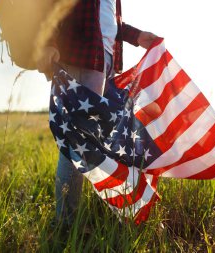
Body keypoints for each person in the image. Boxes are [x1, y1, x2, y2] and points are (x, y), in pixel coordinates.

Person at [36, 0, 157, 224]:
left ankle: (93, 211)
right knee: (78, 139)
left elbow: (108, 21)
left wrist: (136, 36)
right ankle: (66, 222)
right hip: (80, 56)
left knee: (97, 137)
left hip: (104, 59)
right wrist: (49, 41)